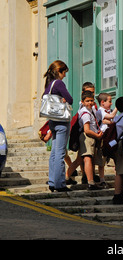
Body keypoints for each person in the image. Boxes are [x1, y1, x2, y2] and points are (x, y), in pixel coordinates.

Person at [43, 60, 73, 192]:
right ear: (59, 72)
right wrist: (64, 99)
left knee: (54, 153)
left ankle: (52, 181)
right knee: (60, 153)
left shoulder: (49, 84)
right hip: (61, 121)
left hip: (52, 121)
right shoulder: (59, 83)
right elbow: (70, 99)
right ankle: (60, 183)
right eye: (64, 72)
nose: (65, 75)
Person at [78, 90, 103, 190]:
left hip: (91, 137)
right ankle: (91, 182)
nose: (90, 103)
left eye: (91, 100)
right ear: (83, 102)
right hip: (88, 137)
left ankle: (91, 180)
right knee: (87, 158)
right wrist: (97, 136)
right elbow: (87, 130)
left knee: (90, 158)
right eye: (87, 101)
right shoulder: (85, 114)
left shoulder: (90, 110)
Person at [95, 92, 117, 188]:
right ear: (103, 102)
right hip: (103, 137)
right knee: (102, 159)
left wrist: (109, 121)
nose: (111, 103)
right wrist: (117, 108)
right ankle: (102, 179)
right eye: (110, 101)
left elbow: (113, 121)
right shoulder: (100, 111)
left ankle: (118, 177)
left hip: (111, 136)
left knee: (115, 157)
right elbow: (111, 117)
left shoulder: (109, 111)